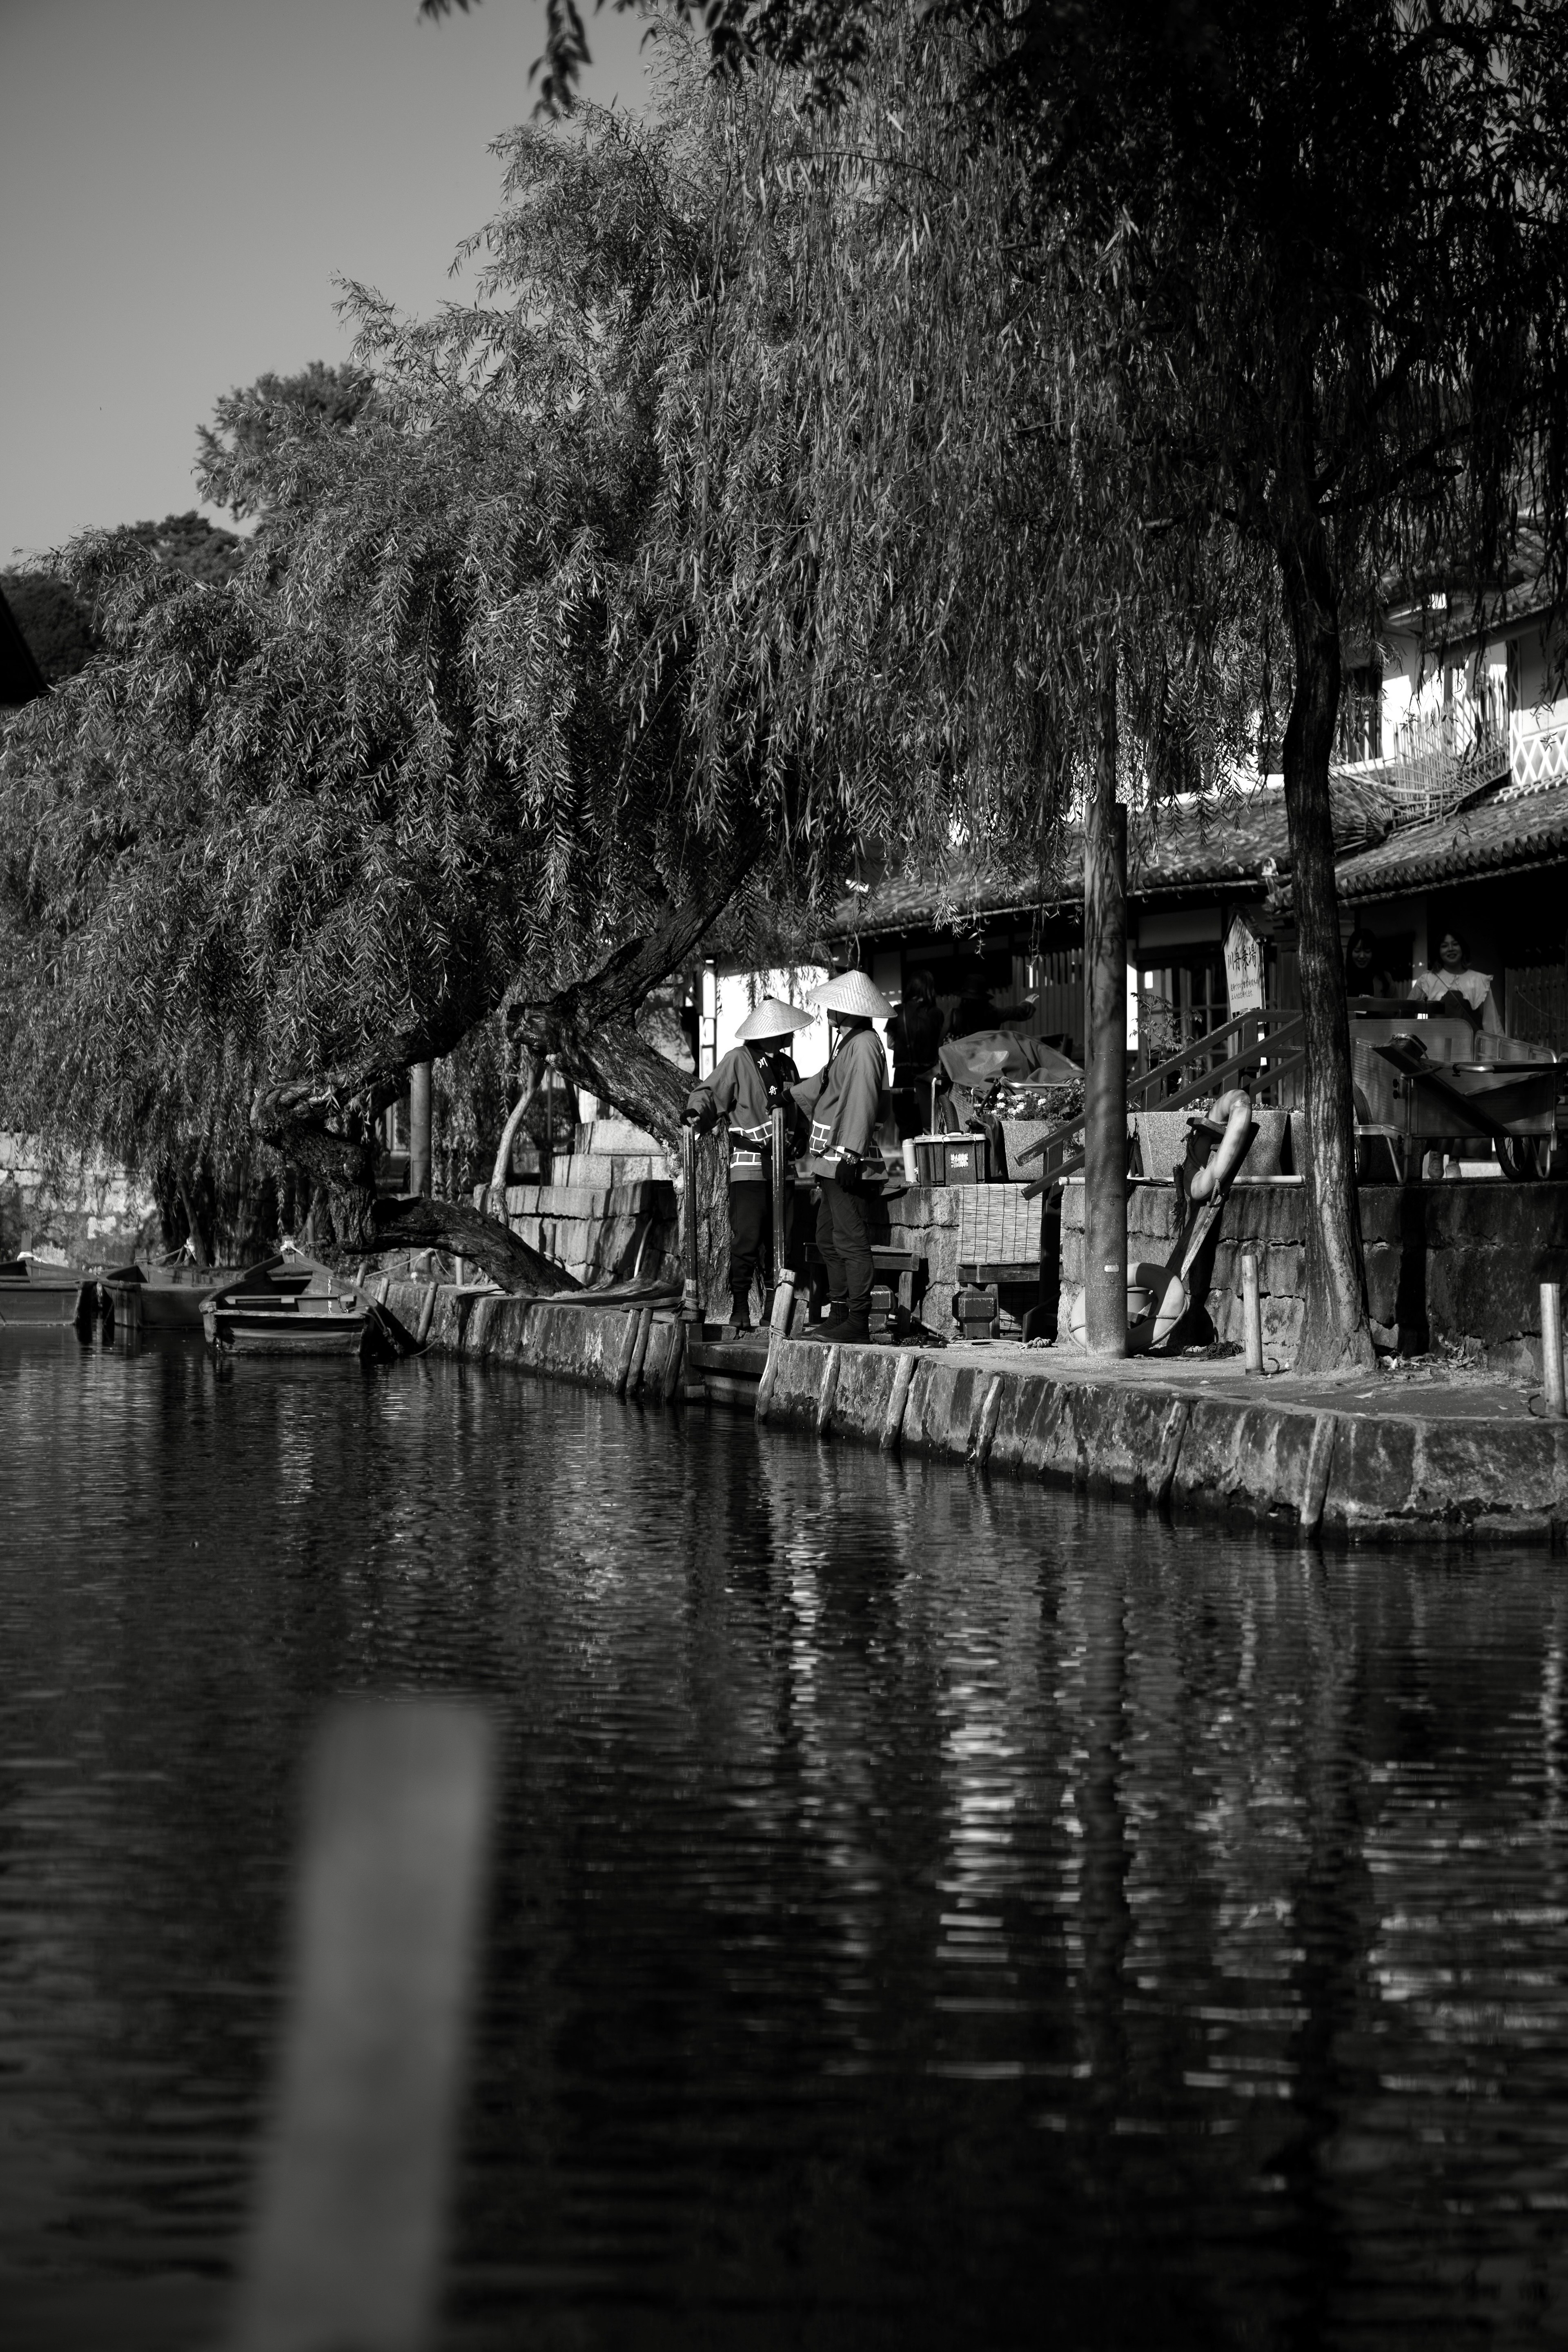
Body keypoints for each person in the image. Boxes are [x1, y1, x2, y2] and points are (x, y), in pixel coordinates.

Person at [684, 996, 812, 1336]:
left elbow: (798, 1110)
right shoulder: (738, 1060)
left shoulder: (788, 1067)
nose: (793, 1036)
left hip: (783, 1168)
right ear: (774, 1032)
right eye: (788, 1030)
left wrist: (801, 1134)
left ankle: (775, 1310)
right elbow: (709, 1093)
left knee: (783, 1243)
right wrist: (696, 1112)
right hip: (750, 1166)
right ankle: (740, 1306)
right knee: (748, 1240)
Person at [791, 969, 892, 1343]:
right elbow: (825, 1079)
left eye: (833, 1006)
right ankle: (840, 1310)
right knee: (827, 1238)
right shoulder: (849, 1043)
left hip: (845, 1159)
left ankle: (858, 1319)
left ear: (847, 1010)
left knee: (849, 1239)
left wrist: (851, 1155)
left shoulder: (864, 1045)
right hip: (831, 1159)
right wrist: (791, 1095)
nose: (827, 1013)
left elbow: (863, 1100)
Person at [1409, 929, 1504, 1037]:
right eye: (1444, 946)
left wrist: (1498, 1050)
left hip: (1471, 1049)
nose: (1451, 949)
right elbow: (1408, 1012)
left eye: (1455, 944)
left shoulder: (1480, 981)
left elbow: (1491, 1023)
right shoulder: (1427, 980)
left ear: (1462, 948)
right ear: (1438, 951)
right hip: (1437, 1050)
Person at [886, 967, 944, 1138]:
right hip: (928, 1079)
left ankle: (910, 1163)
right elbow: (941, 1046)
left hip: (903, 1077)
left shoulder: (898, 1011)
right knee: (929, 1127)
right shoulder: (937, 1014)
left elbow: (890, 1044)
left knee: (906, 1126)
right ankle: (927, 1163)